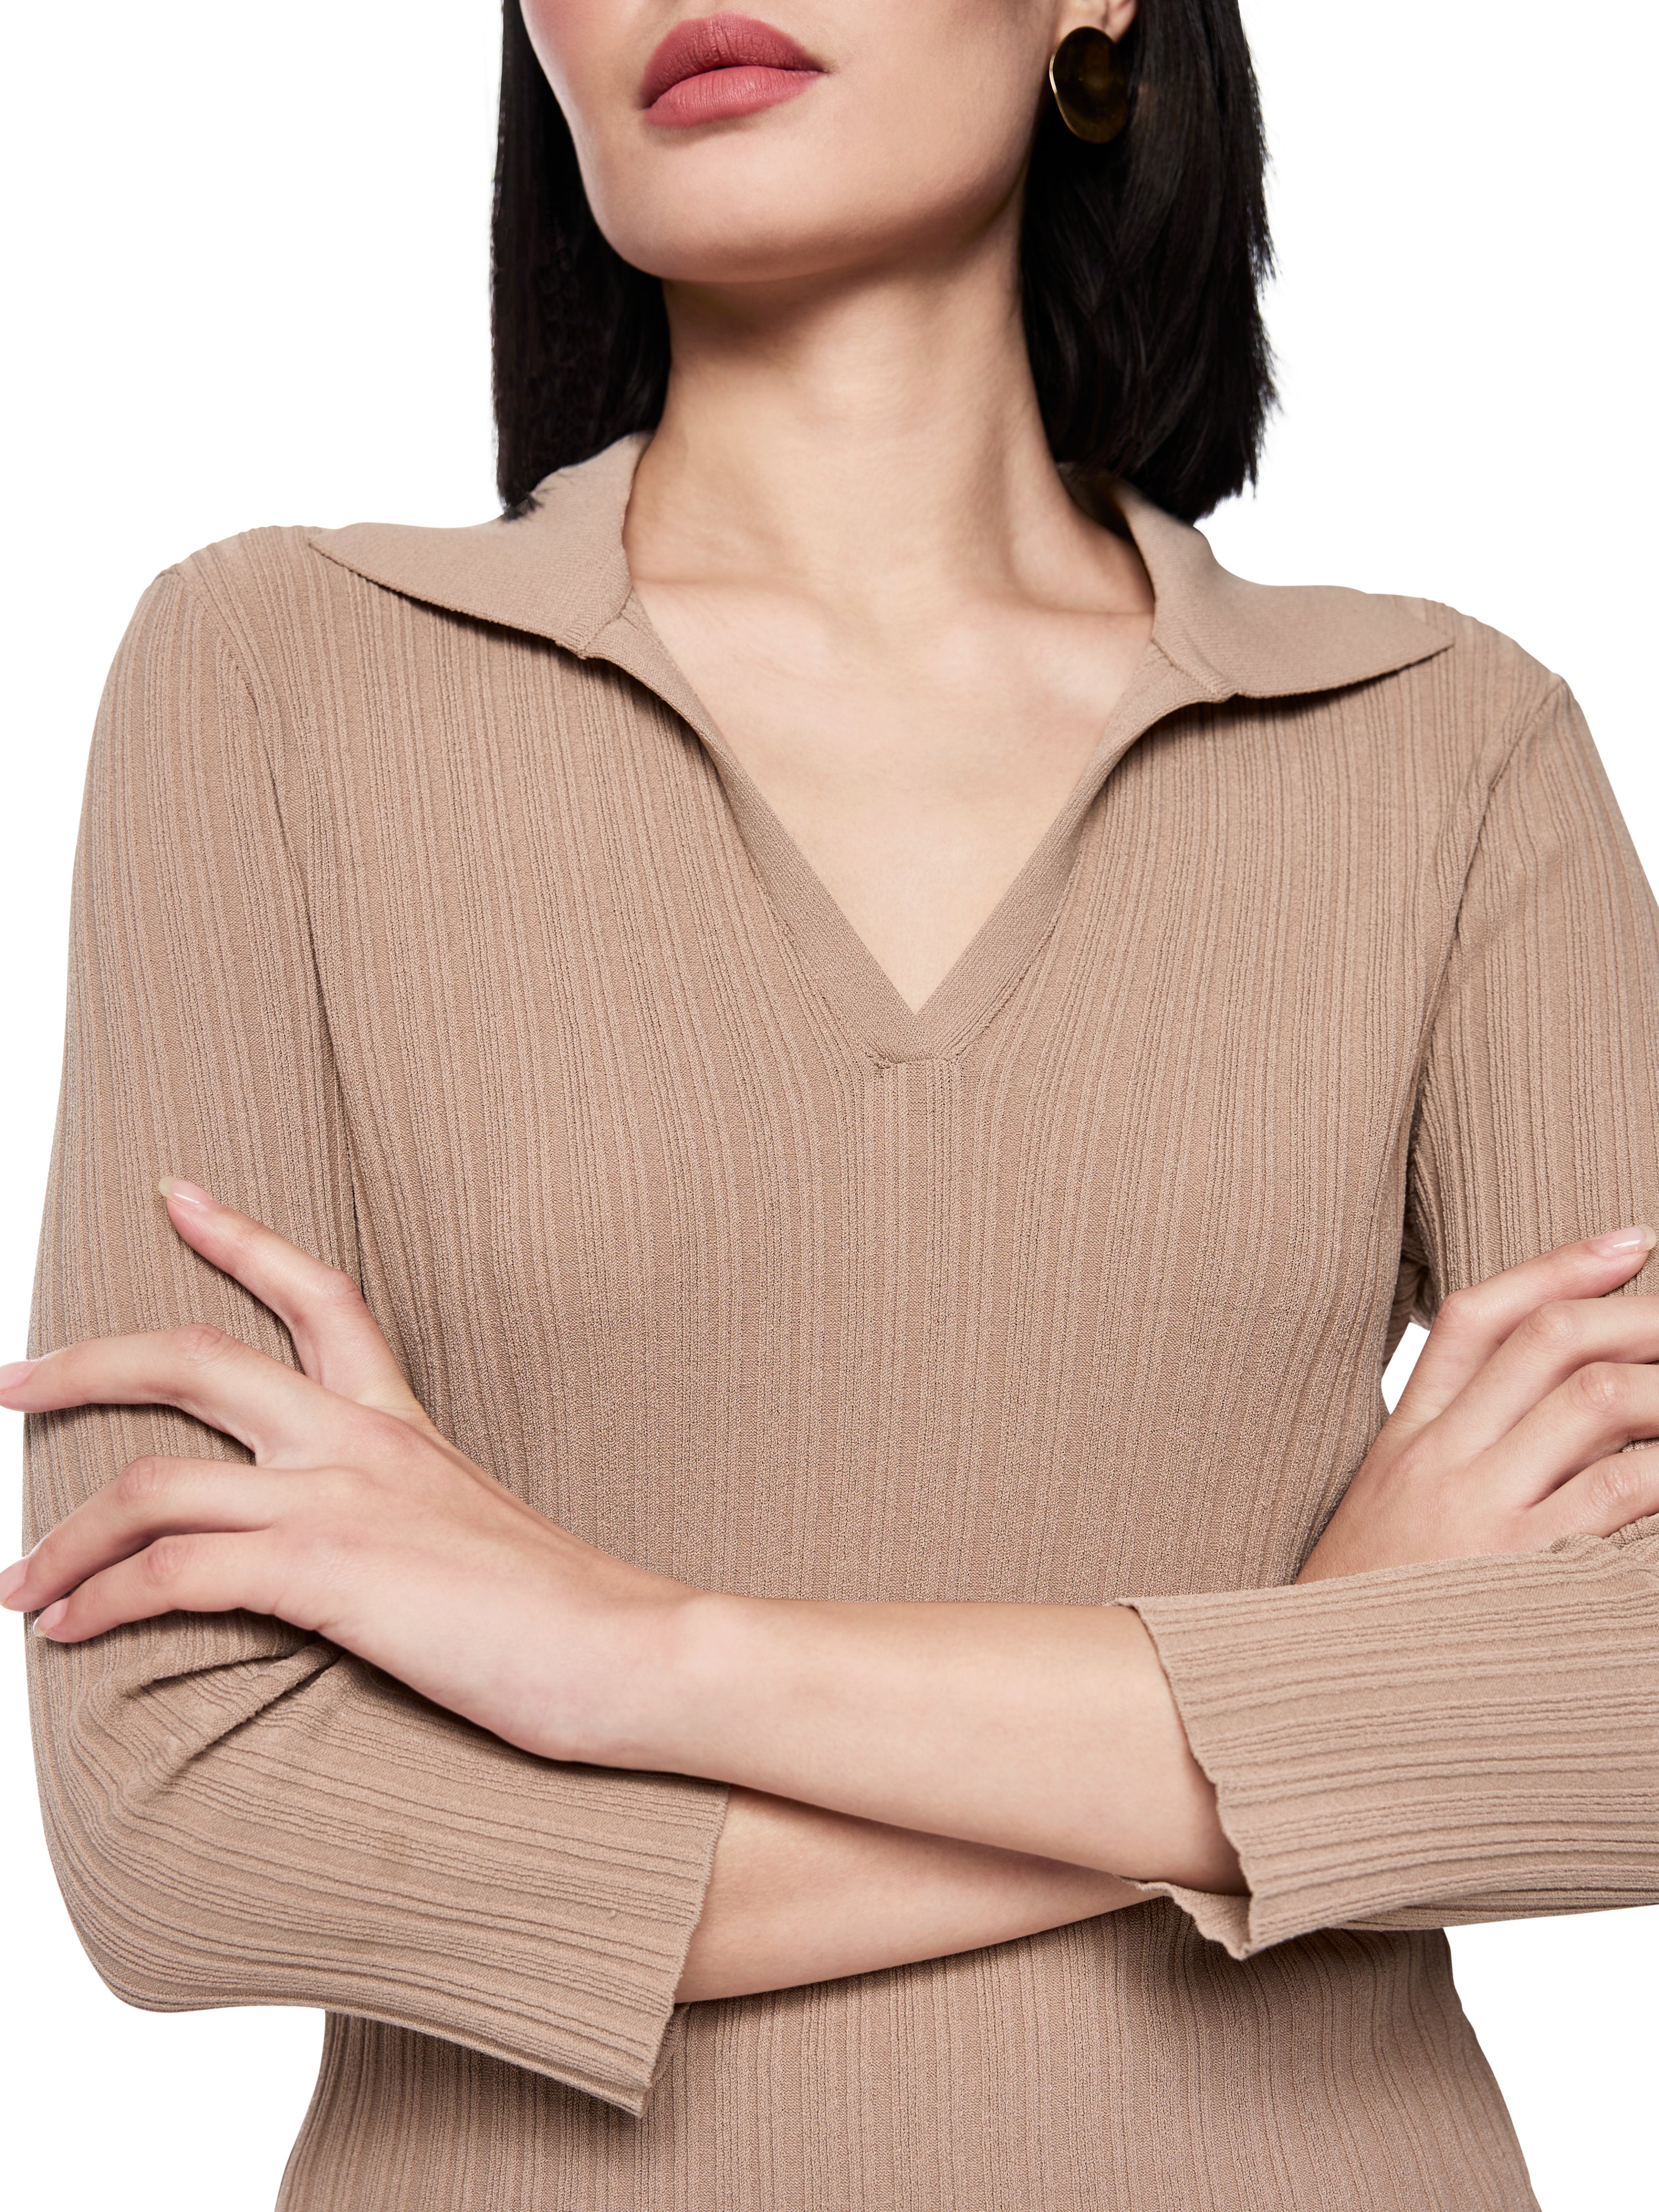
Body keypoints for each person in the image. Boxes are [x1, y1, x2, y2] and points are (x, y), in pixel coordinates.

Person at [6, 2, 1658, 2205]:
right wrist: (1292, 1705)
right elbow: (184, 1818)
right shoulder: (276, 679)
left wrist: (635, 1656)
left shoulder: (1442, 744)